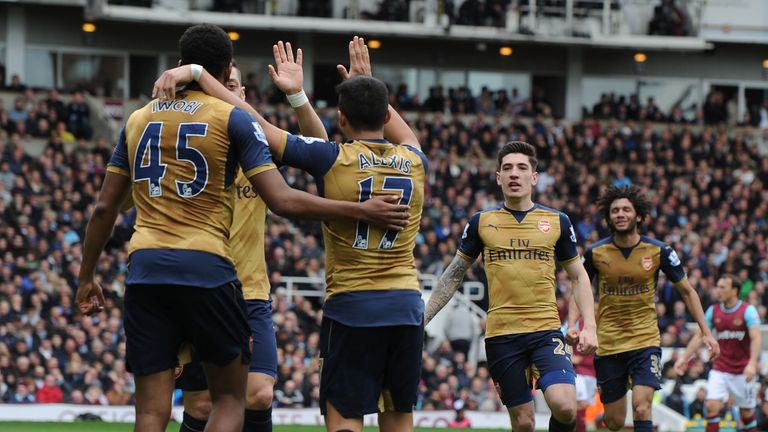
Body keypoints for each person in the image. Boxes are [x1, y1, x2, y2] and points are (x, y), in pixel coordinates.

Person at [75, 25, 409, 432]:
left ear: (240, 93)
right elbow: (287, 196)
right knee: (203, 404)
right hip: (210, 275)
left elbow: (319, 146)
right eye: (218, 81)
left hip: (239, 288)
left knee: (256, 393)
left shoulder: (230, 130)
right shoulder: (225, 127)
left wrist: (296, 96)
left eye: (228, 86)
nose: (221, 89)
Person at [425, 140, 599, 432]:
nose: (514, 174)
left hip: (545, 331)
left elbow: (579, 276)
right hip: (502, 336)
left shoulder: (557, 221)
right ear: (498, 177)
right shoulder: (481, 222)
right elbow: (454, 274)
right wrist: (424, 318)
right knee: (524, 422)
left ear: (534, 177)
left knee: (566, 406)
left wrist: (589, 325)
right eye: (507, 168)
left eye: (522, 168)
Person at [576, 185, 719, 432]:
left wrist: (706, 332)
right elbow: (578, 287)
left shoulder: (659, 251)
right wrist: (572, 325)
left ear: (639, 216)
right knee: (614, 421)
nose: (620, 214)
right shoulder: (595, 253)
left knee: (642, 407)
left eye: (626, 210)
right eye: (615, 210)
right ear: (609, 217)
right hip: (609, 344)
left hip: (645, 341)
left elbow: (688, 291)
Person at [674, 275, 761, 432]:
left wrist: (752, 364)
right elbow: (700, 336)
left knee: (746, 413)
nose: (717, 291)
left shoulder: (748, 311)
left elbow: (756, 338)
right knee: (711, 406)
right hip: (720, 369)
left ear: (734, 290)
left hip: (743, 371)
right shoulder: (713, 311)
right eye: (717, 286)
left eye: (722, 287)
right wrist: (684, 358)